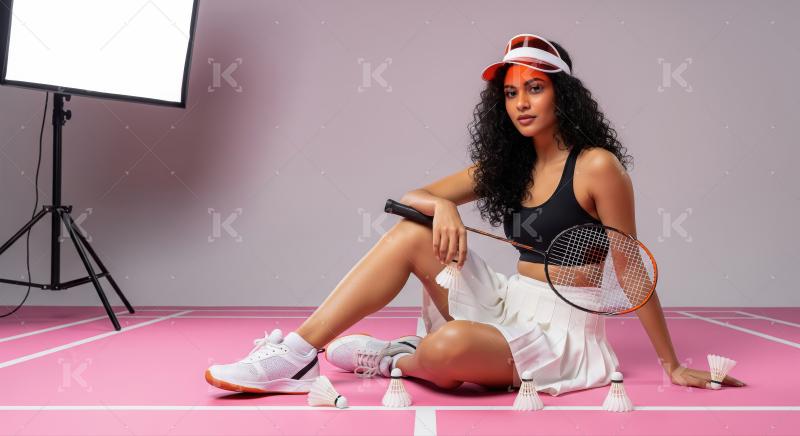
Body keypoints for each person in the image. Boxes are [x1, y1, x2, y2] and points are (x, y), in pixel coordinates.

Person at [205, 34, 746, 395]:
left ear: (563, 94)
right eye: (511, 93)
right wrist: (443, 206)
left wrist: (672, 364)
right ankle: (297, 355)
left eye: (535, 88)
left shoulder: (597, 167)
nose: (521, 103)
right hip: (509, 301)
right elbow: (414, 195)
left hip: (563, 335)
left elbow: (630, 268)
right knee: (412, 233)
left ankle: (397, 357)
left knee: (452, 346)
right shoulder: (505, 166)